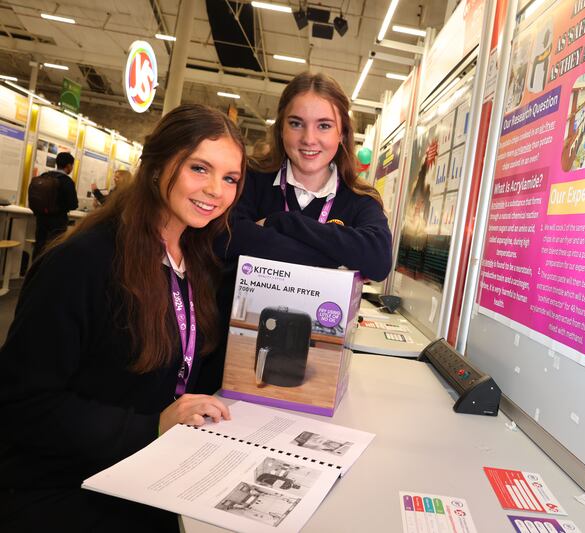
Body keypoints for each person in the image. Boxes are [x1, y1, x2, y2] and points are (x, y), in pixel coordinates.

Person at [0, 104, 246, 532]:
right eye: (199, 168)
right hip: (66, 483)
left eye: (230, 179)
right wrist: (152, 426)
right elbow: (22, 404)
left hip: (148, 468)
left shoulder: (200, 261)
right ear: (156, 167)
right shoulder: (82, 262)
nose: (215, 191)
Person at [219, 71, 392, 282]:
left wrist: (283, 222)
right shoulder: (250, 179)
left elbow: (378, 260)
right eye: (296, 124)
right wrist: (336, 258)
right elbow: (224, 238)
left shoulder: (359, 199)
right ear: (281, 129)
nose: (309, 139)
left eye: (324, 126)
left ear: (342, 133)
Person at [30, 151, 78, 258]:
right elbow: (73, 205)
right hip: (58, 221)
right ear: (69, 165)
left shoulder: (44, 175)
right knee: (54, 248)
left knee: (39, 245)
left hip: (41, 218)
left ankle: (34, 271)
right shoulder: (67, 181)